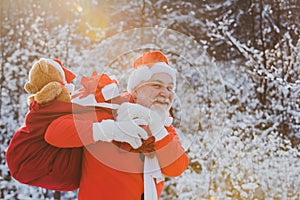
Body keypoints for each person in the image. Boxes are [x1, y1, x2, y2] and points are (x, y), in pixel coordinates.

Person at [44, 51, 189, 200]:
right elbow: (54, 132)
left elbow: (177, 167)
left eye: (170, 88)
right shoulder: (112, 110)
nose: (166, 93)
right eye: (157, 85)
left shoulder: (164, 125)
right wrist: (111, 130)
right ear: (136, 90)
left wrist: (157, 129)